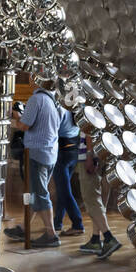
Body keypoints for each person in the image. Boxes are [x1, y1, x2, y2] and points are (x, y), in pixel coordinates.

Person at [5, 78, 61, 247]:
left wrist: (16, 114)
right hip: (50, 152)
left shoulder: (36, 99)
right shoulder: (53, 100)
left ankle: (51, 235)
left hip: (36, 153)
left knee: (40, 193)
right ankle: (24, 227)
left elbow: (24, 125)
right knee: (35, 192)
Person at [76, 139, 121, 259]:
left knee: (91, 199)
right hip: (104, 152)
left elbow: (89, 127)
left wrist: (90, 155)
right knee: (98, 200)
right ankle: (95, 240)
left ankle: (108, 237)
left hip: (90, 154)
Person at [51, 101, 84, 237]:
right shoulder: (79, 107)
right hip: (73, 150)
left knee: (64, 191)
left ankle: (77, 224)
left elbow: (53, 129)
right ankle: (58, 221)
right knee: (63, 188)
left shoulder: (60, 109)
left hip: (62, 151)